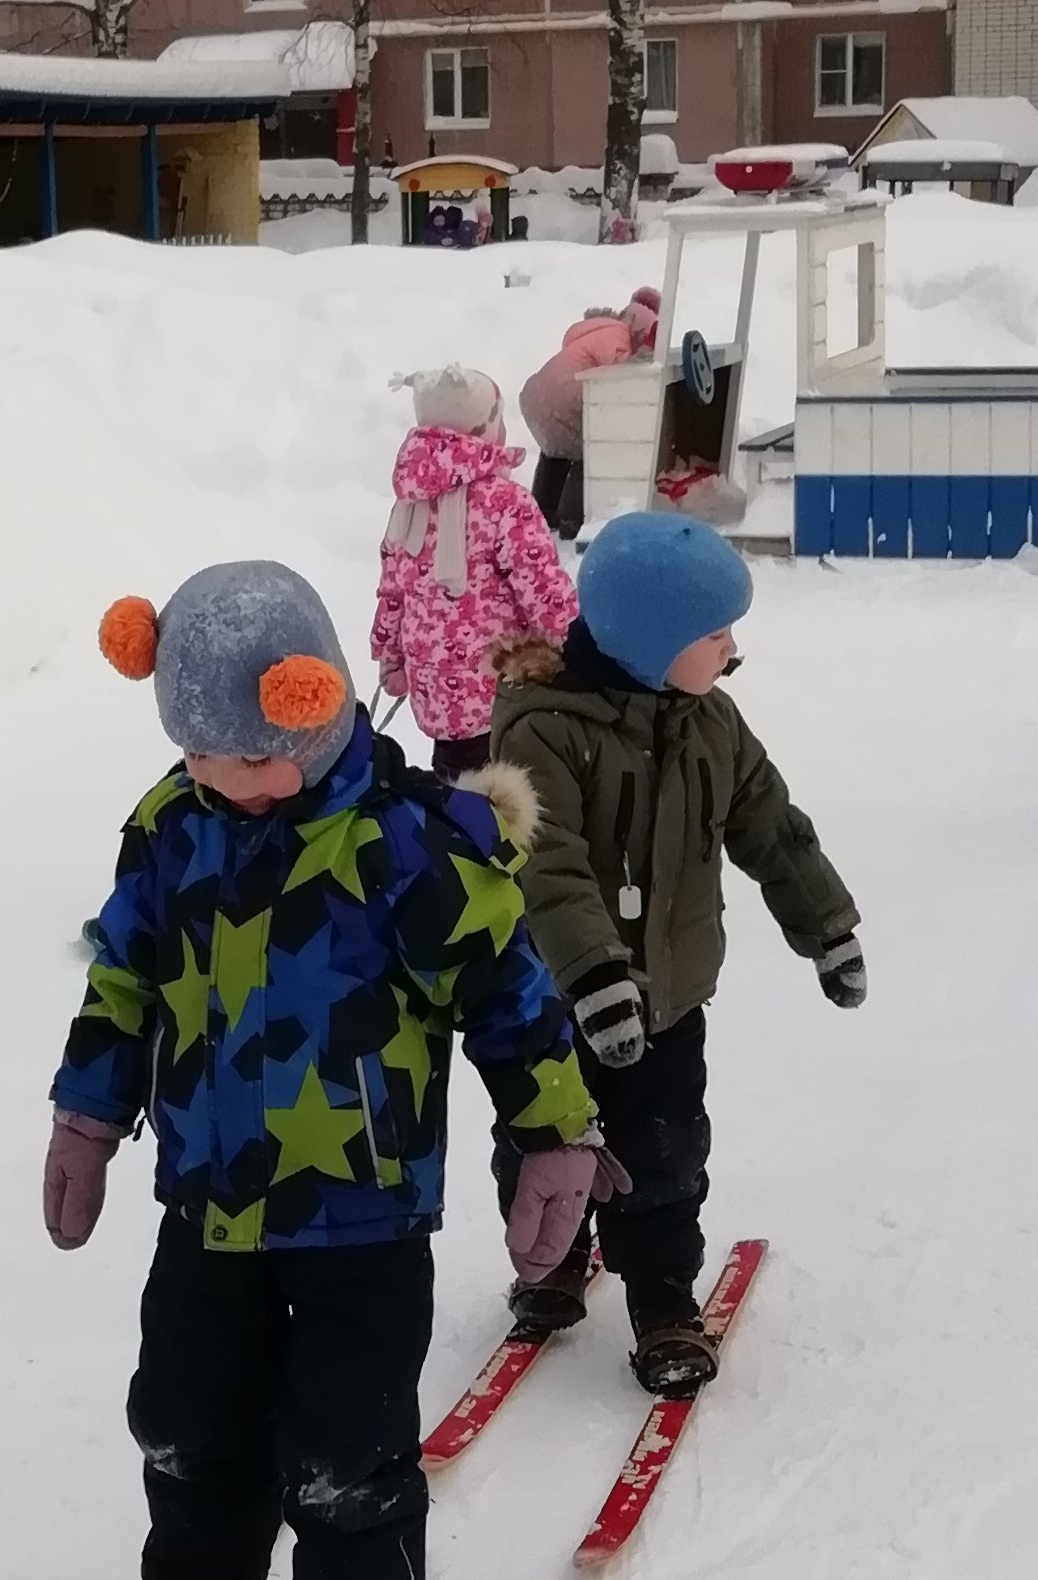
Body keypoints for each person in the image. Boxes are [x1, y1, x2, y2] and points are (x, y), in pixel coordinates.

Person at [48, 560, 611, 1580]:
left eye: (252, 756)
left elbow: (509, 999)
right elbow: (123, 979)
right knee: (184, 1413)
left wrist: (554, 1133)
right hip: (206, 1200)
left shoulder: (408, 845)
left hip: (361, 1214)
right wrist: (87, 1113)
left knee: (345, 1446)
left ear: (316, 707)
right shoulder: (170, 828)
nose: (229, 781)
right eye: (203, 754)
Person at [489, 514, 864, 1393]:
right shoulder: (544, 730)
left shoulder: (712, 725)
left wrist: (828, 929)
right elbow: (546, 865)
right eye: (715, 633)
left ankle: (661, 1299)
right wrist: (589, 974)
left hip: (668, 993)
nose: (732, 650)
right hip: (554, 996)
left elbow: (773, 828)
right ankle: (551, 1256)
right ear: (650, 643)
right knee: (543, 1133)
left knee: (660, 1149)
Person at [370, 366, 578, 776]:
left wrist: (391, 657)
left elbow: (393, 593)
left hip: (434, 693)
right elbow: (542, 590)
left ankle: (454, 829)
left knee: (456, 781)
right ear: (486, 429)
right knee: (506, 790)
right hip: (501, 688)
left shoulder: (409, 505)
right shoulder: (506, 503)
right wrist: (574, 650)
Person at [519, 289, 660, 540]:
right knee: (589, 451)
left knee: (555, 453)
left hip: (536, 399)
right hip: (563, 402)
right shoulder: (617, 335)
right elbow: (619, 374)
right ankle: (573, 520)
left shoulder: (597, 330)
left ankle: (541, 512)